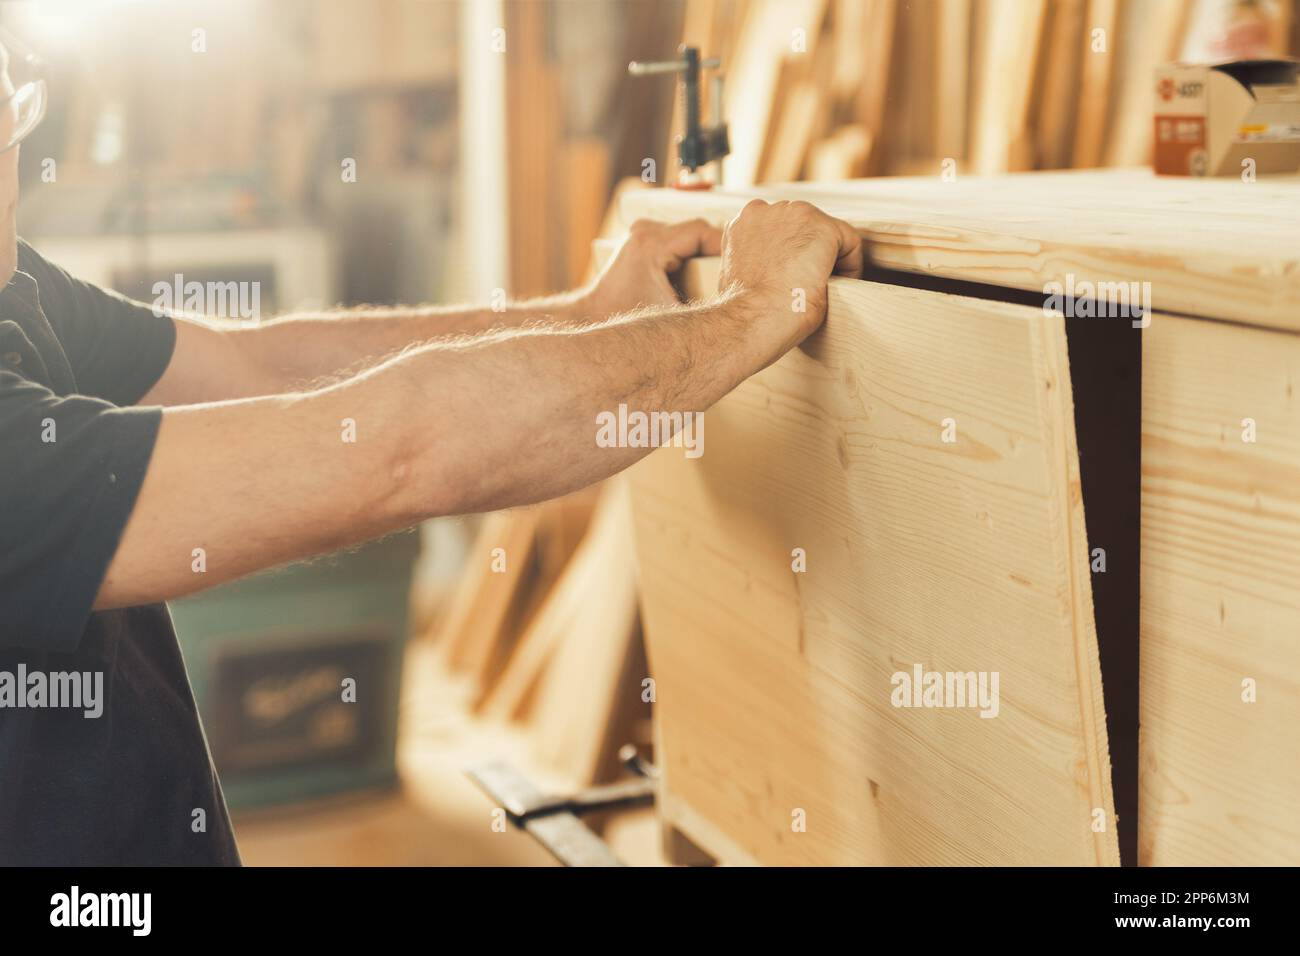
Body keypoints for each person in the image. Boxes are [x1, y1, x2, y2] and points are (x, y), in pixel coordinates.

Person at [0, 36, 863, 864]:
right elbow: (397, 452)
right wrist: (750, 313)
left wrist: (583, 320)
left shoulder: (14, 282)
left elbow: (250, 364)